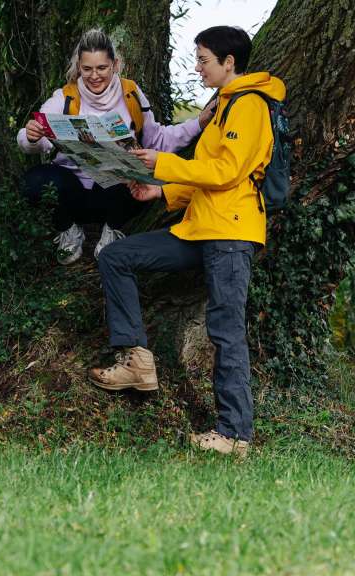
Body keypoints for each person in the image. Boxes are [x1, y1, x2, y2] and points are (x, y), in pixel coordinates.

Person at [88, 26, 286, 456]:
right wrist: (161, 191)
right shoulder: (223, 106)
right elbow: (208, 177)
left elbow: (226, 173)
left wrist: (165, 163)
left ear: (229, 62)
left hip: (231, 233)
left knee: (226, 331)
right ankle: (137, 362)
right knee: (117, 257)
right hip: (200, 228)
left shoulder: (249, 105)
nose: (197, 68)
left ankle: (234, 435)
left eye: (203, 60)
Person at [17, 28, 215, 264]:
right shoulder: (65, 97)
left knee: (135, 174)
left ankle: (112, 231)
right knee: (34, 181)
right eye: (87, 68)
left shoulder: (131, 94)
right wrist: (30, 135)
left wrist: (198, 124)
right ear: (79, 66)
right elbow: (31, 140)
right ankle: (68, 229)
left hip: (117, 193)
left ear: (115, 64)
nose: (94, 76)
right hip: (73, 193)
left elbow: (158, 139)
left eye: (102, 68)